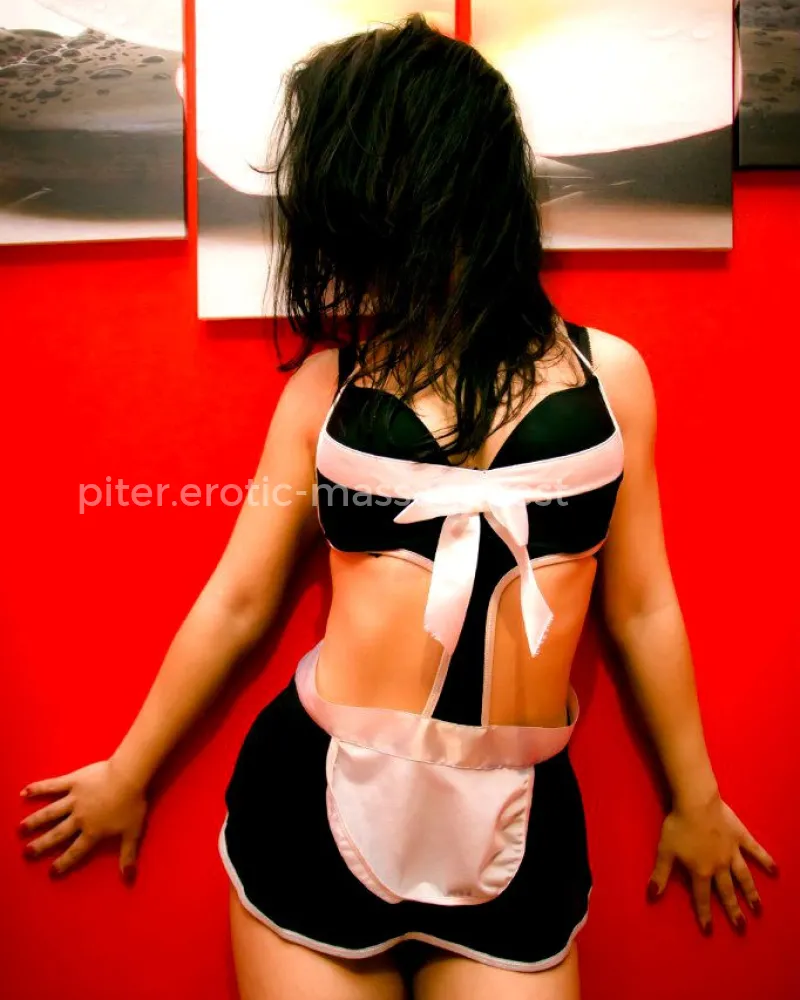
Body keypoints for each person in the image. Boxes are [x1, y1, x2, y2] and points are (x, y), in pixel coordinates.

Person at [18, 15, 777, 1000]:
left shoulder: (612, 380)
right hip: (317, 803)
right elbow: (238, 601)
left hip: (516, 816)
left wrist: (695, 796)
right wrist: (129, 773)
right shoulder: (325, 392)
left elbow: (640, 607)